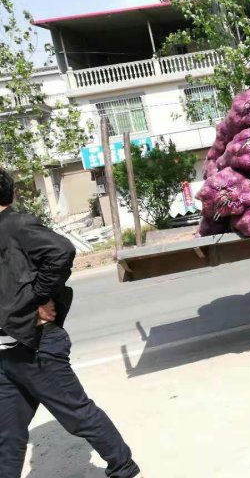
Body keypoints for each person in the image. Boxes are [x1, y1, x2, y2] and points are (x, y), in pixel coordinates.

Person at [0, 168, 141, 478]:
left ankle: (123, 467)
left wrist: (39, 298)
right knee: (7, 436)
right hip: (6, 354)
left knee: (77, 415)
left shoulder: (16, 225)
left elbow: (61, 251)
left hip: (36, 346)